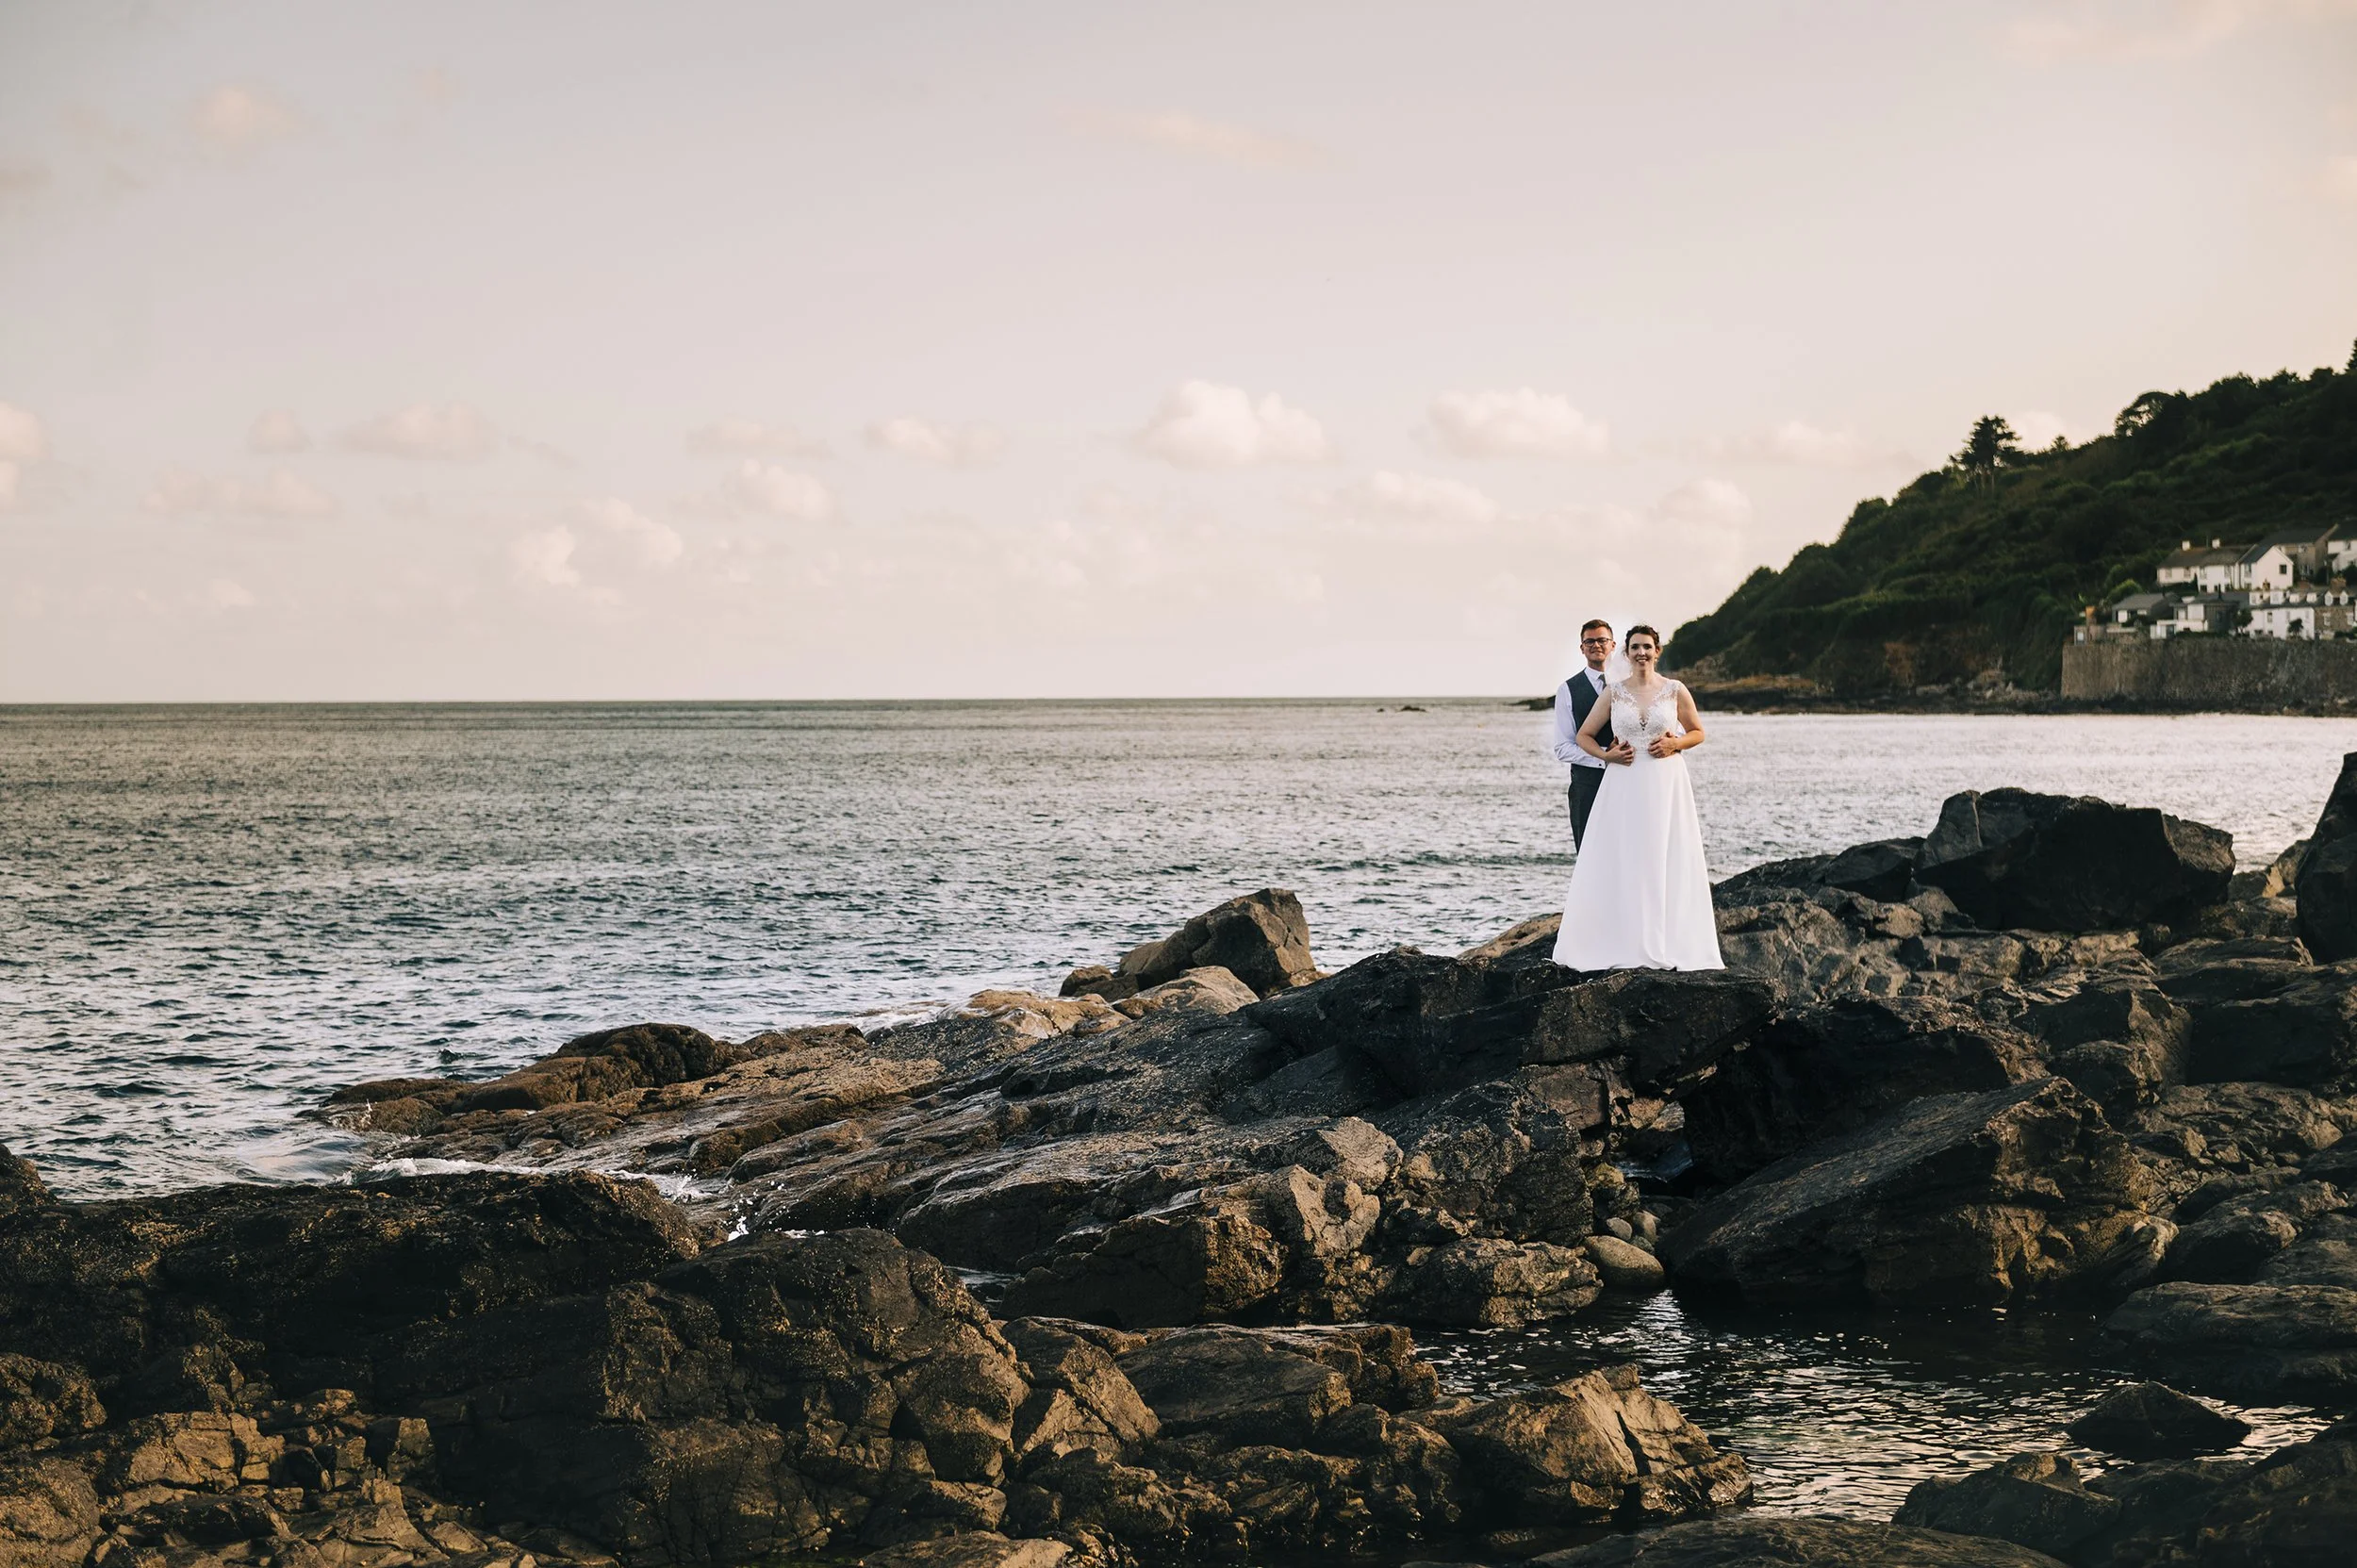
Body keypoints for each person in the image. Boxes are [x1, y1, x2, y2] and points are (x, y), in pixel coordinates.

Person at [1552, 624, 1722, 971]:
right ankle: (1620, 937)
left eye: (1647, 647)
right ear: (1626, 654)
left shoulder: (1675, 690)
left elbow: (1698, 732)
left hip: (1666, 780)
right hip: (1624, 781)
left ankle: (1668, 939)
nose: (1641, 653)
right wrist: (1607, 756)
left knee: (1664, 854)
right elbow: (1583, 735)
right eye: (1635, 648)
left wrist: (1676, 743)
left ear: (1657, 651)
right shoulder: (1614, 693)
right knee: (1623, 856)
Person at [1552, 619, 1626, 849]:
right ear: (1582, 648)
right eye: (1589, 641)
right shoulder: (1567, 690)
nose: (1596, 645)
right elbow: (1563, 747)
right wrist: (1604, 756)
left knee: (1627, 850)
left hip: (1628, 781)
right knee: (1588, 854)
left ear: (1613, 644)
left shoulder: (1630, 684)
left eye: (1602, 640)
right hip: (1587, 786)